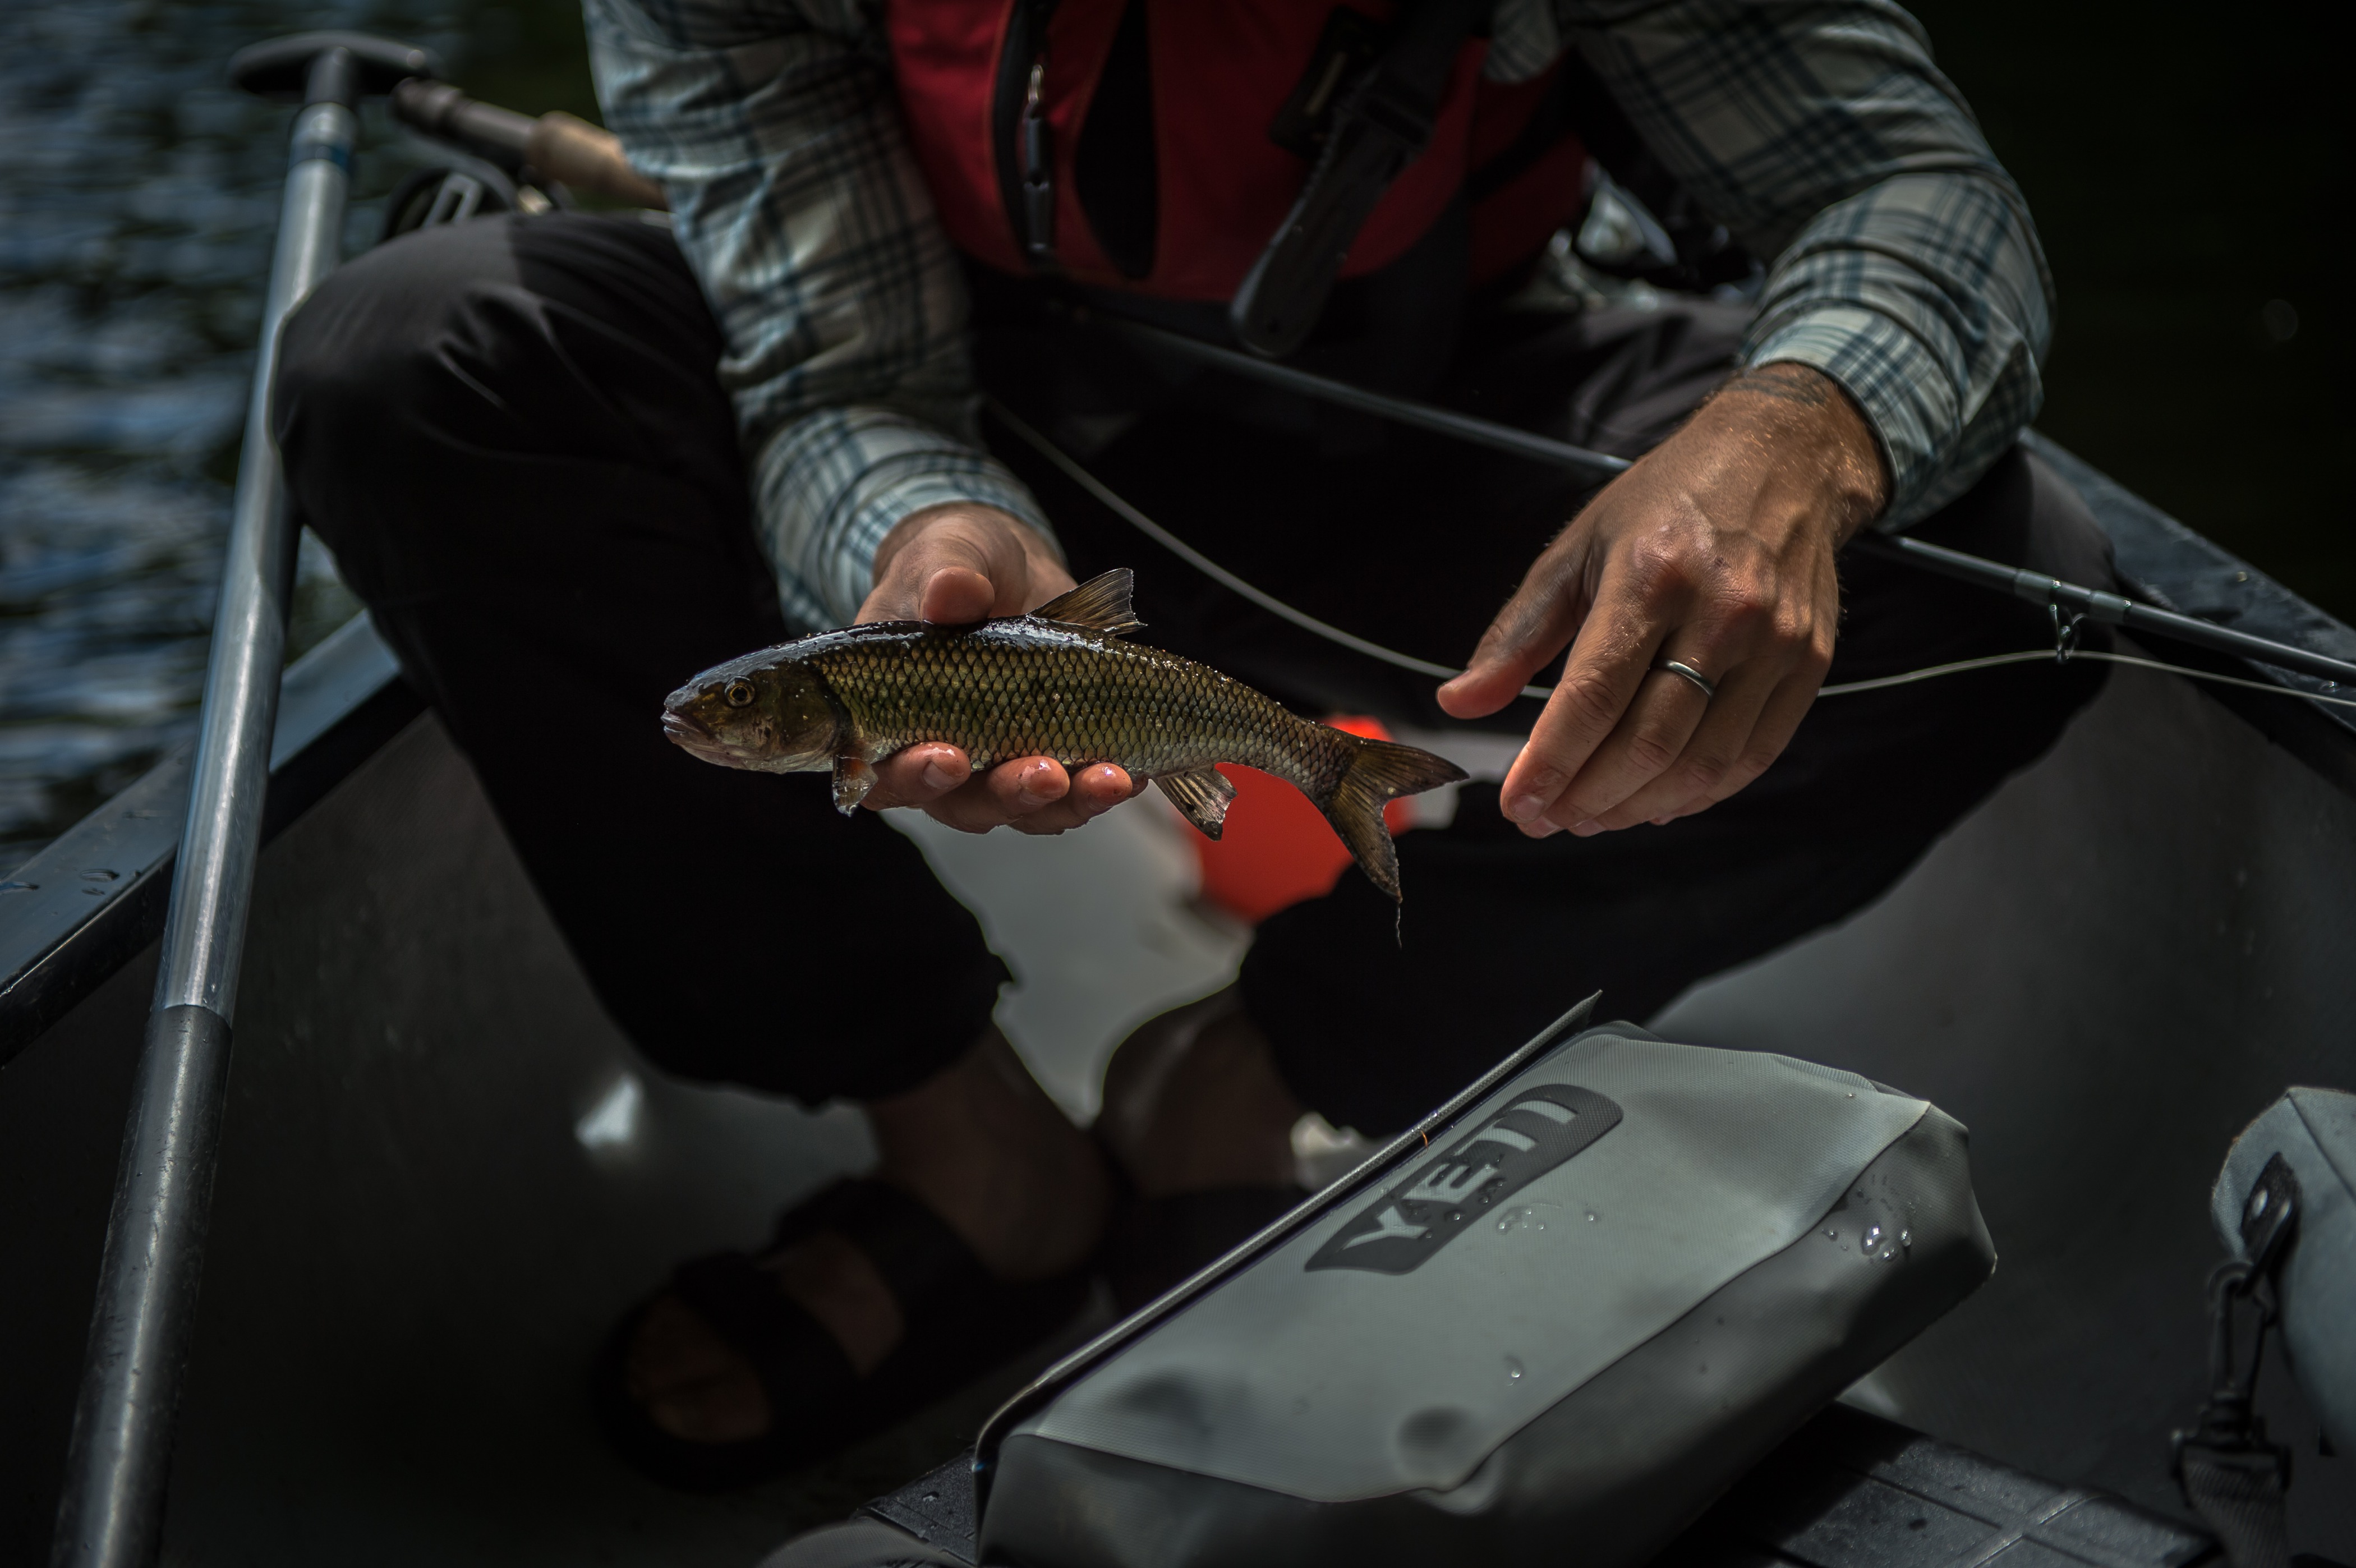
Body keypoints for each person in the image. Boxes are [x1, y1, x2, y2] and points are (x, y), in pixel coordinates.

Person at [273, 0, 2111, 1487]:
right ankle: (972, 1153)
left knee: (2018, 576)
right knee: (417, 358)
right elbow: (844, 381)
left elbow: (1913, 191)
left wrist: (1798, 427)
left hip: (1447, 422)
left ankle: (1257, 1067)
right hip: (997, 458)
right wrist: (929, 553)